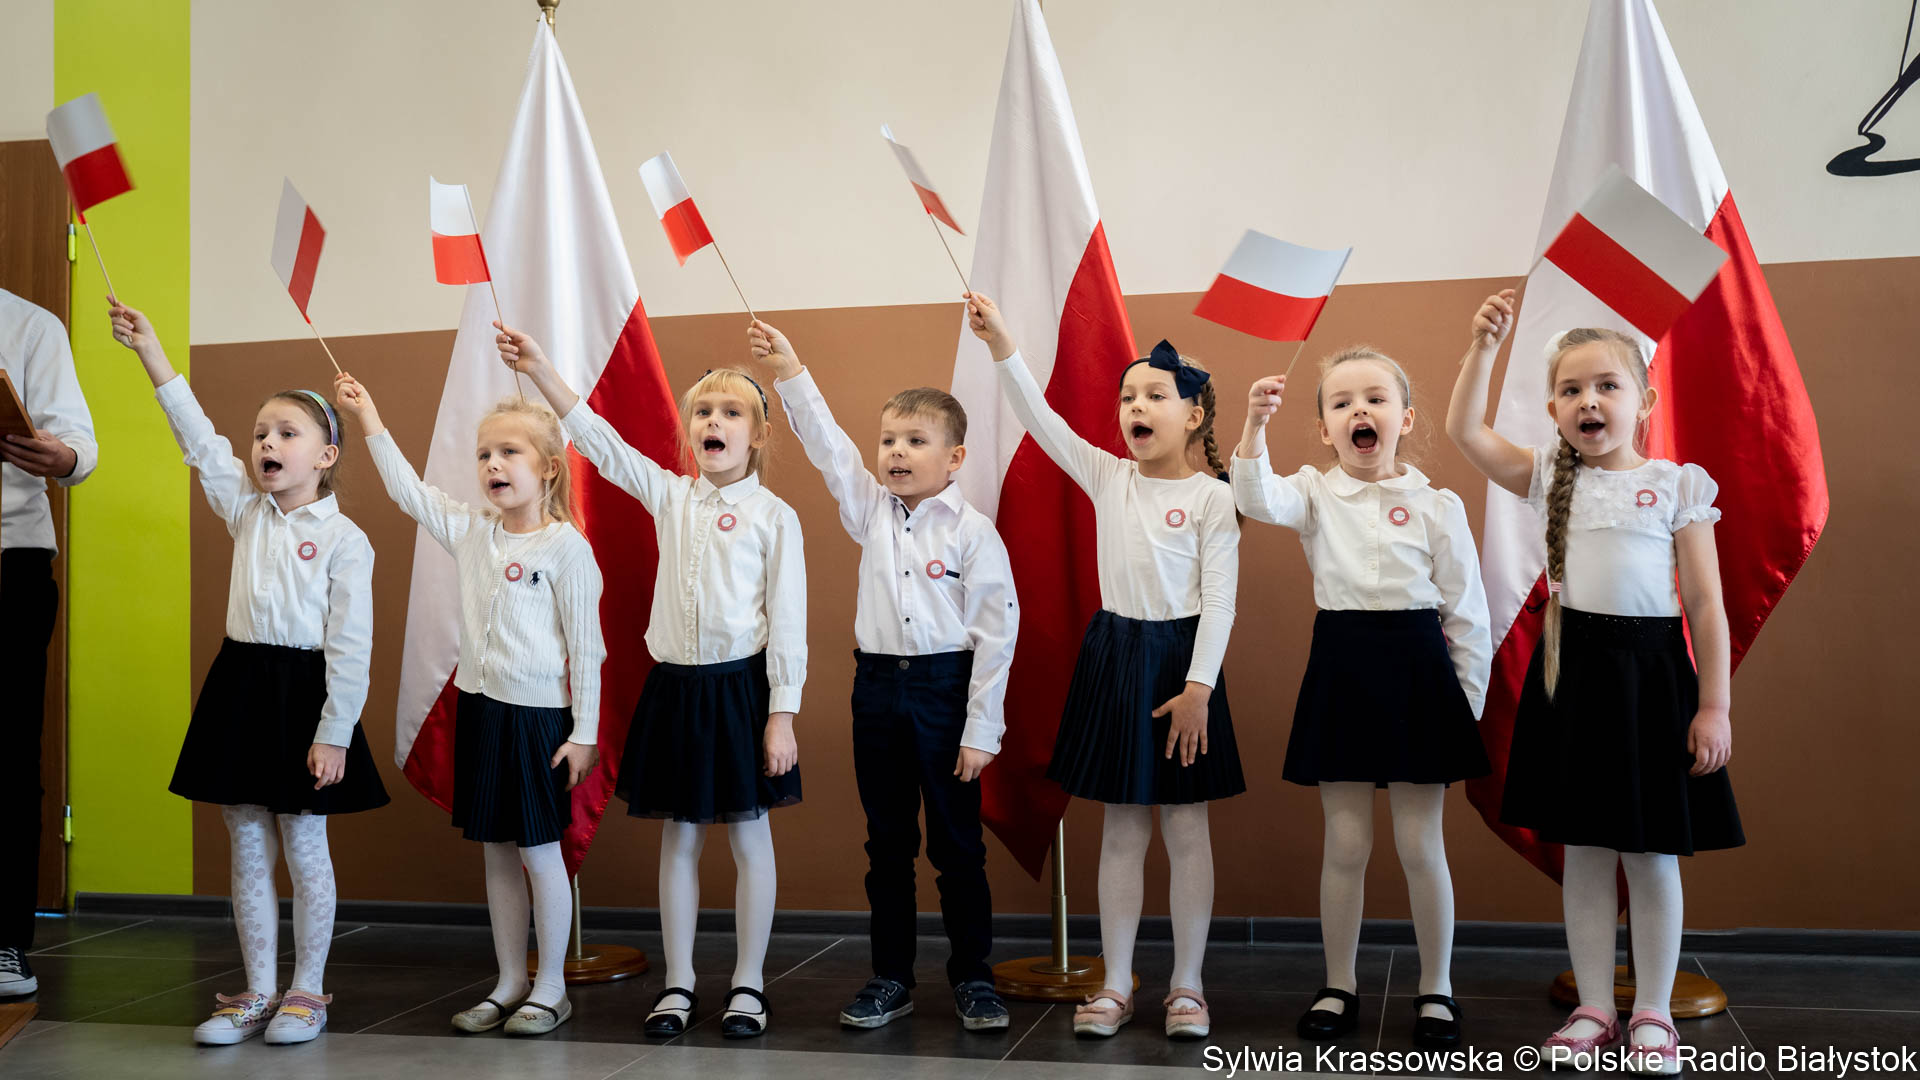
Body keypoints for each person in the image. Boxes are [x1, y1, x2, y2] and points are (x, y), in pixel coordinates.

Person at [1448, 291, 1741, 1075]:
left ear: (1642, 401)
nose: (1590, 400)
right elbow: (1466, 433)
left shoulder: (1680, 486)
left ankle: (1651, 1010)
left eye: (1608, 385)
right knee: (1583, 851)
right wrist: (1483, 346)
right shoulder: (1547, 473)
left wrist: (1714, 705)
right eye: (1573, 389)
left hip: (1653, 683)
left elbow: (1708, 607)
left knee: (1649, 856)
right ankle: (1592, 1008)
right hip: (1572, 679)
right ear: (1553, 408)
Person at [497, 324, 802, 1040]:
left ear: (756, 437)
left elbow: (787, 622)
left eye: (731, 413)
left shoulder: (774, 517)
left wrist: (780, 713)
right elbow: (597, 441)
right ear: (689, 432)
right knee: (682, 838)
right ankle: (679, 982)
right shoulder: (669, 495)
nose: (714, 423)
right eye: (703, 413)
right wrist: (541, 367)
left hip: (741, 691)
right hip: (678, 690)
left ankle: (749, 983)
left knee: (749, 836)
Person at [969, 291, 1241, 1040]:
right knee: (1122, 829)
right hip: (1117, 657)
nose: (1135, 406)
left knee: (1187, 830)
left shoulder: (1214, 499)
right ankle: (1118, 980)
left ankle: (1187, 985)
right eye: (1127, 396)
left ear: (1193, 414)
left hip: (1184, 668)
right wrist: (1002, 344)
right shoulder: (1105, 475)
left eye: (1154, 394)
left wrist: (1198, 690)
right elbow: (1040, 419)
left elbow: (1219, 604)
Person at [749, 318, 1018, 1032]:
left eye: (915, 441)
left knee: (957, 847)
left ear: (954, 457)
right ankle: (890, 976)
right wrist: (791, 371)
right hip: (877, 692)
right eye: (889, 441)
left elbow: (997, 634)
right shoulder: (870, 511)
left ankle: (974, 978)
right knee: (888, 844)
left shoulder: (972, 531)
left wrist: (980, 730)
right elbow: (829, 448)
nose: (897, 452)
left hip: (946, 692)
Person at [1231, 348, 1491, 1049]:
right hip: (1343, 664)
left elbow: (1468, 612)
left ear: (1405, 418)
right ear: (1323, 429)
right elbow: (1256, 497)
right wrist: (1254, 425)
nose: (1359, 412)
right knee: (1345, 842)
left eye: (1374, 398)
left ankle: (1435, 988)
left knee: (1418, 842)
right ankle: (1339, 981)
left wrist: (1464, 705)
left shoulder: (1438, 504)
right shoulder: (1314, 492)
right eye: (1342, 403)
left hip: (1420, 671)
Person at [334, 371, 604, 1038]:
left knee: (541, 853)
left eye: (509, 452)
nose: (493, 465)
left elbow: (589, 651)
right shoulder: (471, 532)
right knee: (496, 851)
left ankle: (549, 988)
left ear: (546, 468)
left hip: (540, 720)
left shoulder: (567, 549)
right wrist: (369, 416)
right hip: (484, 713)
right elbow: (407, 490)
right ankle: (509, 979)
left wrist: (586, 732)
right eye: (485, 454)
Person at [0, 287, 97, 1000]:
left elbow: (79, 449)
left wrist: (58, 455)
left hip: (11, 559)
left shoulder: (31, 326)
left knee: (7, 753)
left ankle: (4, 941)